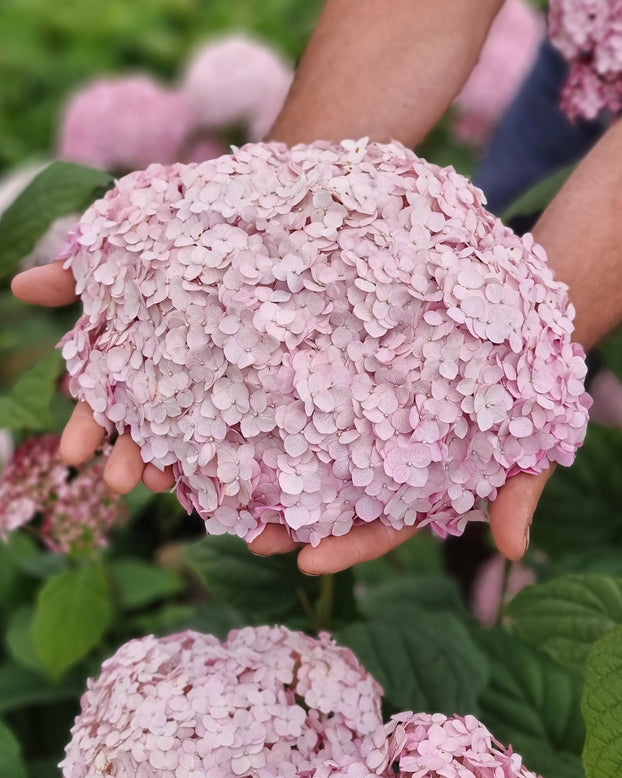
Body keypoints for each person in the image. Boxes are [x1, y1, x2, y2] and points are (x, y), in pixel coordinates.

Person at [11, 0, 622, 575]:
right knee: (502, 214)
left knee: (513, 328)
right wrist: (270, 190)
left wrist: (540, 347)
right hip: (577, 50)